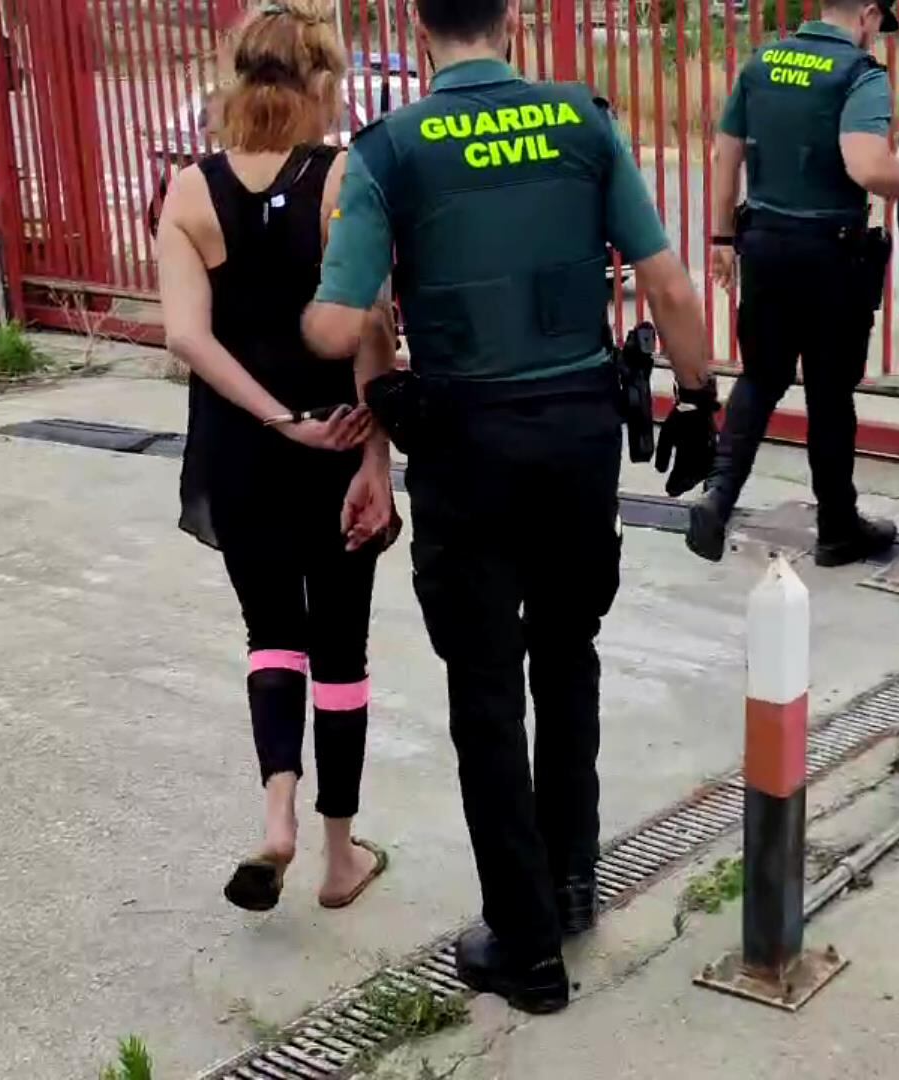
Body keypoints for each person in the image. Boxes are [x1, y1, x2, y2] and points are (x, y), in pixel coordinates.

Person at [300, 0, 718, 1016]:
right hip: (577, 441)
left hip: (468, 454)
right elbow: (665, 277)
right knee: (568, 651)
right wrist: (701, 398)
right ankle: (573, 881)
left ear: (416, 20)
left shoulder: (388, 151)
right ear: (509, 18)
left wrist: (335, 282)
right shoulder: (583, 121)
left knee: (486, 692)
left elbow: (335, 326)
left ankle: (527, 946)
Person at [157, 0, 398, 913]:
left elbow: (187, 335)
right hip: (338, 438)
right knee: (342, 648)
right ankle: (340, 859)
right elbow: (373, 323)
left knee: (272, 636)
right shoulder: (348, 180)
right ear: (322, 84)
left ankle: (278, 817)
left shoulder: (188, 192)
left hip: (239, 448)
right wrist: (370, 454)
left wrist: (270, 418)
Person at [688, 0, 899, 566]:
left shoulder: (762, 63)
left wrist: (723, 241)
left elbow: (726, 154)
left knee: (760, 376)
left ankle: (718, 498)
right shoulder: (859, 74)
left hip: (766, 247)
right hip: (832, 255)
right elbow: (868, 167)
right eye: (879, 26)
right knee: (829, 394)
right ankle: (836, 527)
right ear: (868, 15)